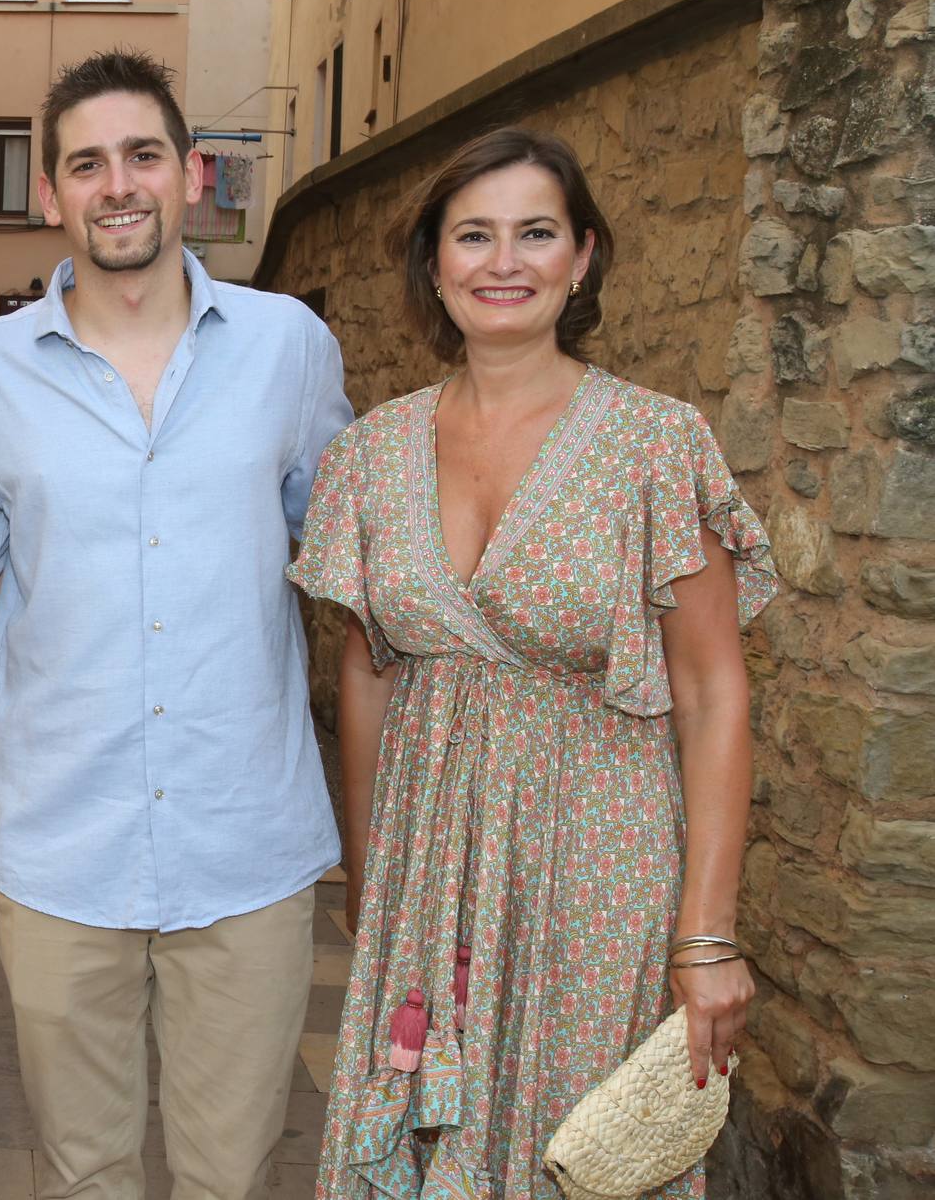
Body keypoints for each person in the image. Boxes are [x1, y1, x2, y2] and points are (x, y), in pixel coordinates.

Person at [0, 49, 354, 1200]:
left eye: (143, 155)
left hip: (249, 851)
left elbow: (354, 556)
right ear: (49, 194)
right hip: (64, 855)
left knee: (230, 1177)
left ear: (191, 173)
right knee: (80, 1174)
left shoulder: (288, 347)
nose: (118, 185)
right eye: (86, 163)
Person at [287, 127, 775, 1199]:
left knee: (577, 1147)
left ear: (583, 257)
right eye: (474, 236)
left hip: (594, 870)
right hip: (425, 871)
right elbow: (367, 679)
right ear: (433, 263)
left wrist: (705, 934)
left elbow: (712, 689)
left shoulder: (657, 443)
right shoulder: (368, 454)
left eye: (535, 233)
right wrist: (374, 891)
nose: (503, 262)